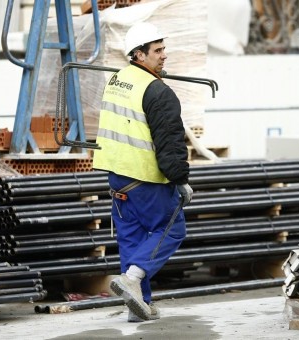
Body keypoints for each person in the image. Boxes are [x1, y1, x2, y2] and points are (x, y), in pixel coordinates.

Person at [92, 22, 193, 322]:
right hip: (146, 179)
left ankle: (139, 306)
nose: (164, 56)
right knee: (172, 229)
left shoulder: (117, 80)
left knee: (132, 239)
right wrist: (180, 180)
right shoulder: (158, 92)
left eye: (164, 49)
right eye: (158, 51)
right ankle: (133, 278)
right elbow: (170, 143)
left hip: (117, 178)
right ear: (139, 54)